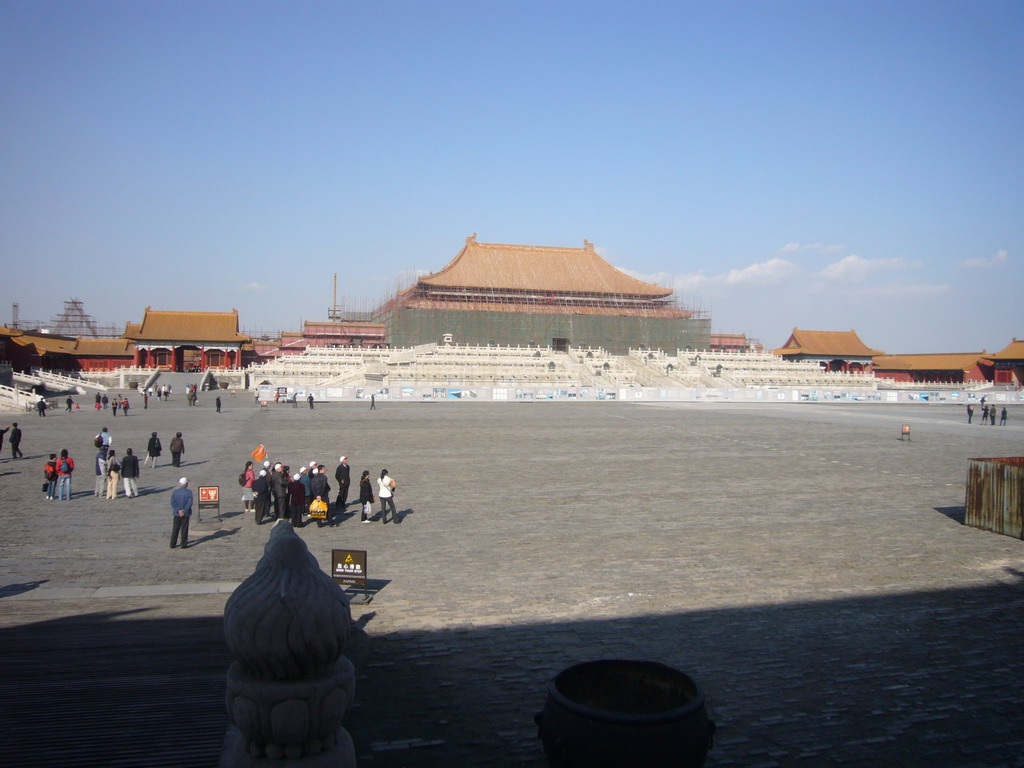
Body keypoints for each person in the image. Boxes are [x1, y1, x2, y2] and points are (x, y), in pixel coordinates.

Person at [170, 477, 193, 549]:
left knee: (175, 528)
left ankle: (172, 544)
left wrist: (178, 510)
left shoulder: (175, 492)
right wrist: (183, 511)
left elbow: (172, 502)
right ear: (186, 484)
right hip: (185, 514)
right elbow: (189, 503)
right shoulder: (189, 492)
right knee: (184, 529)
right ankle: (183, 544)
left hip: (176, 514)